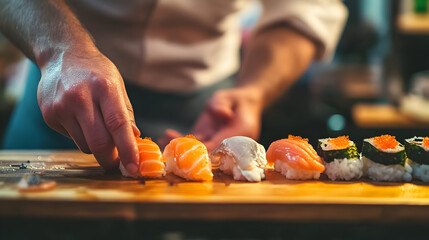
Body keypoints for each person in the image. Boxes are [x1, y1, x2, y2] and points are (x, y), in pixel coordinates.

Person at [0, 0, 347, 176]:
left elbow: (306, 9)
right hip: (64, 94)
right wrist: (60, 48)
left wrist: (254, 92)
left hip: (209, 108)